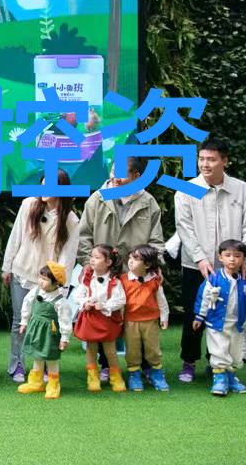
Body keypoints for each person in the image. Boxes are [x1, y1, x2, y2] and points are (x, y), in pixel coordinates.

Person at [174, 138, 246, 383]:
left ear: (225, 161)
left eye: (211, 159)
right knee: (194, 313)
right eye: (201, 159)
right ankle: (189, 361)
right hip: (195, 266)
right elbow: (184, 227)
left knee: (227, 315)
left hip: (232, 266)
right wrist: (200, 258)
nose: (205, 164)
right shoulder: (187, 189)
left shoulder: (241, 189)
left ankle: (218, 363)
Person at [77, 158, 164, 382]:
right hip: (105, 272)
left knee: (139, 320)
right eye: (114, 170)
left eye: (122, 173)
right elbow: (83, 235)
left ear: (136, 176)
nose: (115, 177)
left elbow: (156, 241)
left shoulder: (148, 202)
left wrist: (153, 266)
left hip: (137, 274)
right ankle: (106, 365)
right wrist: (89, 263)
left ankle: (145, 366)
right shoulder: (97, 199)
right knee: (104, 318)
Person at [2, 170, 79, 383]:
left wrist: (62, 285)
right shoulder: (29, 205)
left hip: (49, 281)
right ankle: (17, 364)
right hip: (23, 272)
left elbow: (68, 255)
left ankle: (44, 365)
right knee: (20, 320)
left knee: (48, 323)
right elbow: (15, 236)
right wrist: (7, 267)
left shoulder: (70, 219)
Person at [193, 239, 246, 396]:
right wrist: (199, 316)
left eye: (237, 256)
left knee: (235, 351)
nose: (232, 259)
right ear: (220, 257)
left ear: (244, 259)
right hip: (216, 323)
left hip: (237, 324)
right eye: (228, 255)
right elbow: (203, 299)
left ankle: (231, 377)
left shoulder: (245, 282)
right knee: (219, 350)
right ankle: (219, 379)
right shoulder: (213, 279)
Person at [71, 244, 127, 393]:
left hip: (107, 319)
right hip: (90, 318)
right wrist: (85, 302)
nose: (92, 260)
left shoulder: (114, 281)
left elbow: (120, 300)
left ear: (108, 262)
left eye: (97, 257)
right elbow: (78, 295)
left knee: (110, 349)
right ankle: (93, 376)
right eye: (91, 256)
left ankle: (116, 376)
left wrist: (105, 305)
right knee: (91, 348)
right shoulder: (87, 278)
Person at [119, 245, 171, 392]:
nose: (130, 261)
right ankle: (134, 374)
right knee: (132, 349)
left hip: (150, 321)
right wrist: (119, 319)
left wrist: (164, 317)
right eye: (130, 257)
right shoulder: (123, 280)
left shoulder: (154, 280)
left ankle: (157, 373)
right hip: (130, 321)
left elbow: (161, 299)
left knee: (152, 348)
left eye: (136, 259)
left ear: (147, 264)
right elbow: (120, 301)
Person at [17, 262, 71, 400]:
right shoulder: (35, 292)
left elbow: (65, 320)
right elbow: (26, 304)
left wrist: (64, 338)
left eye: (45, 279)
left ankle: (53, 384)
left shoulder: (60, 301)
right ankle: (36, 382)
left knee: (51, 358)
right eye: (40, 277)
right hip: (36, 330)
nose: (40, 281)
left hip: (50, 333)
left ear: (56, 283)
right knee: (37, 355)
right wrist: (24, 322)